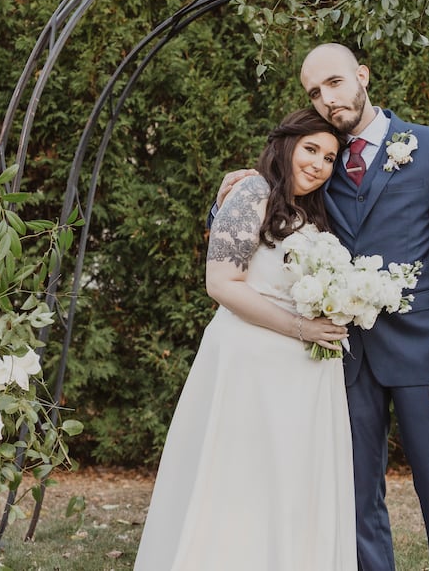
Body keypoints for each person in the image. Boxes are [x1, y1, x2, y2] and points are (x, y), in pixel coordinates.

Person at [217, 43, 429, 571]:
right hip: (343, 355)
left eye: (334, 83)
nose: (327, 100)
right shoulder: (321, 156)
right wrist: (236, 185)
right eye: (314, 93)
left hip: (423, 356)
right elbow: (274, 199)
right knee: (358, 494)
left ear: (362, 76)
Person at [133, 108, 357, 571]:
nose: (318, 164)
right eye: (311, 149)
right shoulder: (250, 191)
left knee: (291, 484)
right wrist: (302, 328)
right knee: (243, 482)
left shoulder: (310, 212)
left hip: (306, 374)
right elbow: (221, 284)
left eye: (330, 157)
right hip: (250, 366)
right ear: (285, 144)